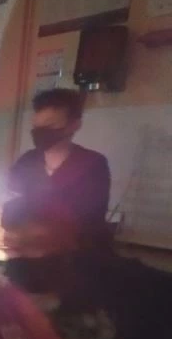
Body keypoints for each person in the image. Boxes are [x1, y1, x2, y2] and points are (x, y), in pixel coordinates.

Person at [0, 195, 172, 339]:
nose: (22, 256)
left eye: (36, 243)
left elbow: (165, 299)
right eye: (13, 245)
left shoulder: (115, 277)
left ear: (67, 243)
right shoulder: (3, 307)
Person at [9, 87, 112, 250]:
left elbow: (90, 222)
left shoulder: (92, 165)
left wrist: (40, 232)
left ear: (74, 125)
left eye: (50, 125)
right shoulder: (27, 161)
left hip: (74, 254)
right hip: (26, 252)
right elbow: (10, 200)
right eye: (36, 126)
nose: (41, 132)